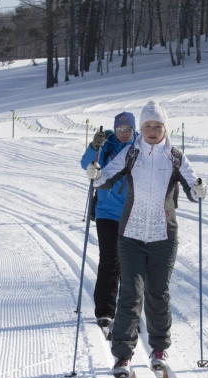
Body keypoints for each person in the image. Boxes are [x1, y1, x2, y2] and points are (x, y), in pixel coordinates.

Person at [86, 100, 208, 377]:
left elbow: (193, 186)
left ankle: (159, 349)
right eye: (147, 126)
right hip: (130, 234)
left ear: (165, 128)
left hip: (163, 235)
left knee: (158, 293)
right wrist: (95, 175)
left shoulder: (175, 157)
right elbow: (105, 177)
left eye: (157, 126)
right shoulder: (131, 153)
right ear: (141, 128)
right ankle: (122, 355)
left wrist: (200, 190)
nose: (152, 131)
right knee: (130, 293)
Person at [80, 112, 138, 330]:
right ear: (116, 129)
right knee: (110, 262)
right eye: (121, 129)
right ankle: (105, 311)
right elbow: (86, 165)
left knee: (131, 266)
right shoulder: (106, 146)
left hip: (134, 213)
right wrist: (94, 147)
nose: (124, 133)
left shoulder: (141, 146)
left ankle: (128, 312)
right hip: (108, 213)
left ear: (134, 130)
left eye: (128, 130)